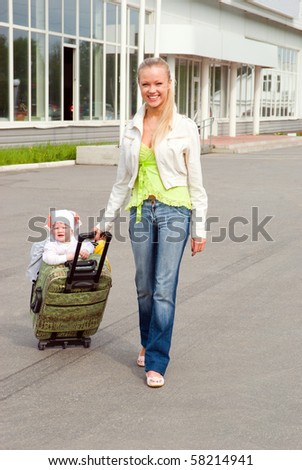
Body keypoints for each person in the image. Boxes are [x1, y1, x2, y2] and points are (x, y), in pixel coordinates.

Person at [95, 57, 208, 388]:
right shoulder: (131, 128)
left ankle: (157, 360)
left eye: (158, 83)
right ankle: (147, 340)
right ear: (139, 86)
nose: (152, 90)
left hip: (175, 211)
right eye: (146, 84)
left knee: (163, 287)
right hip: (140, 212)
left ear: (170, 84)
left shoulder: (185, 126)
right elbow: (122, 180)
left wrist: (199, 227)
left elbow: (196, 181)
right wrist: (105, 220)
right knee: (144, 285)